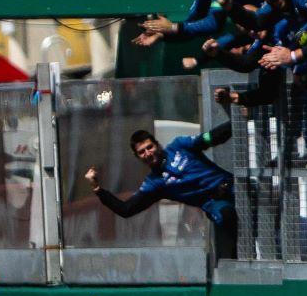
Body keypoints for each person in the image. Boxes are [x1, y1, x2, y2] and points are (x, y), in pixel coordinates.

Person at [84, 104, 239, 260]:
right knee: (227, 215)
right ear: (138, 157)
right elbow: (126, 209)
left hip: (232, 185)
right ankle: (237, 261)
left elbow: (212, 137)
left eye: (149, 147)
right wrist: (98, 189)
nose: (147, 153)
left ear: (157, 144)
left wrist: (238, 120)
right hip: (216, 203)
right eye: (141, 152)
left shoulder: (180, 146)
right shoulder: (155, 184)